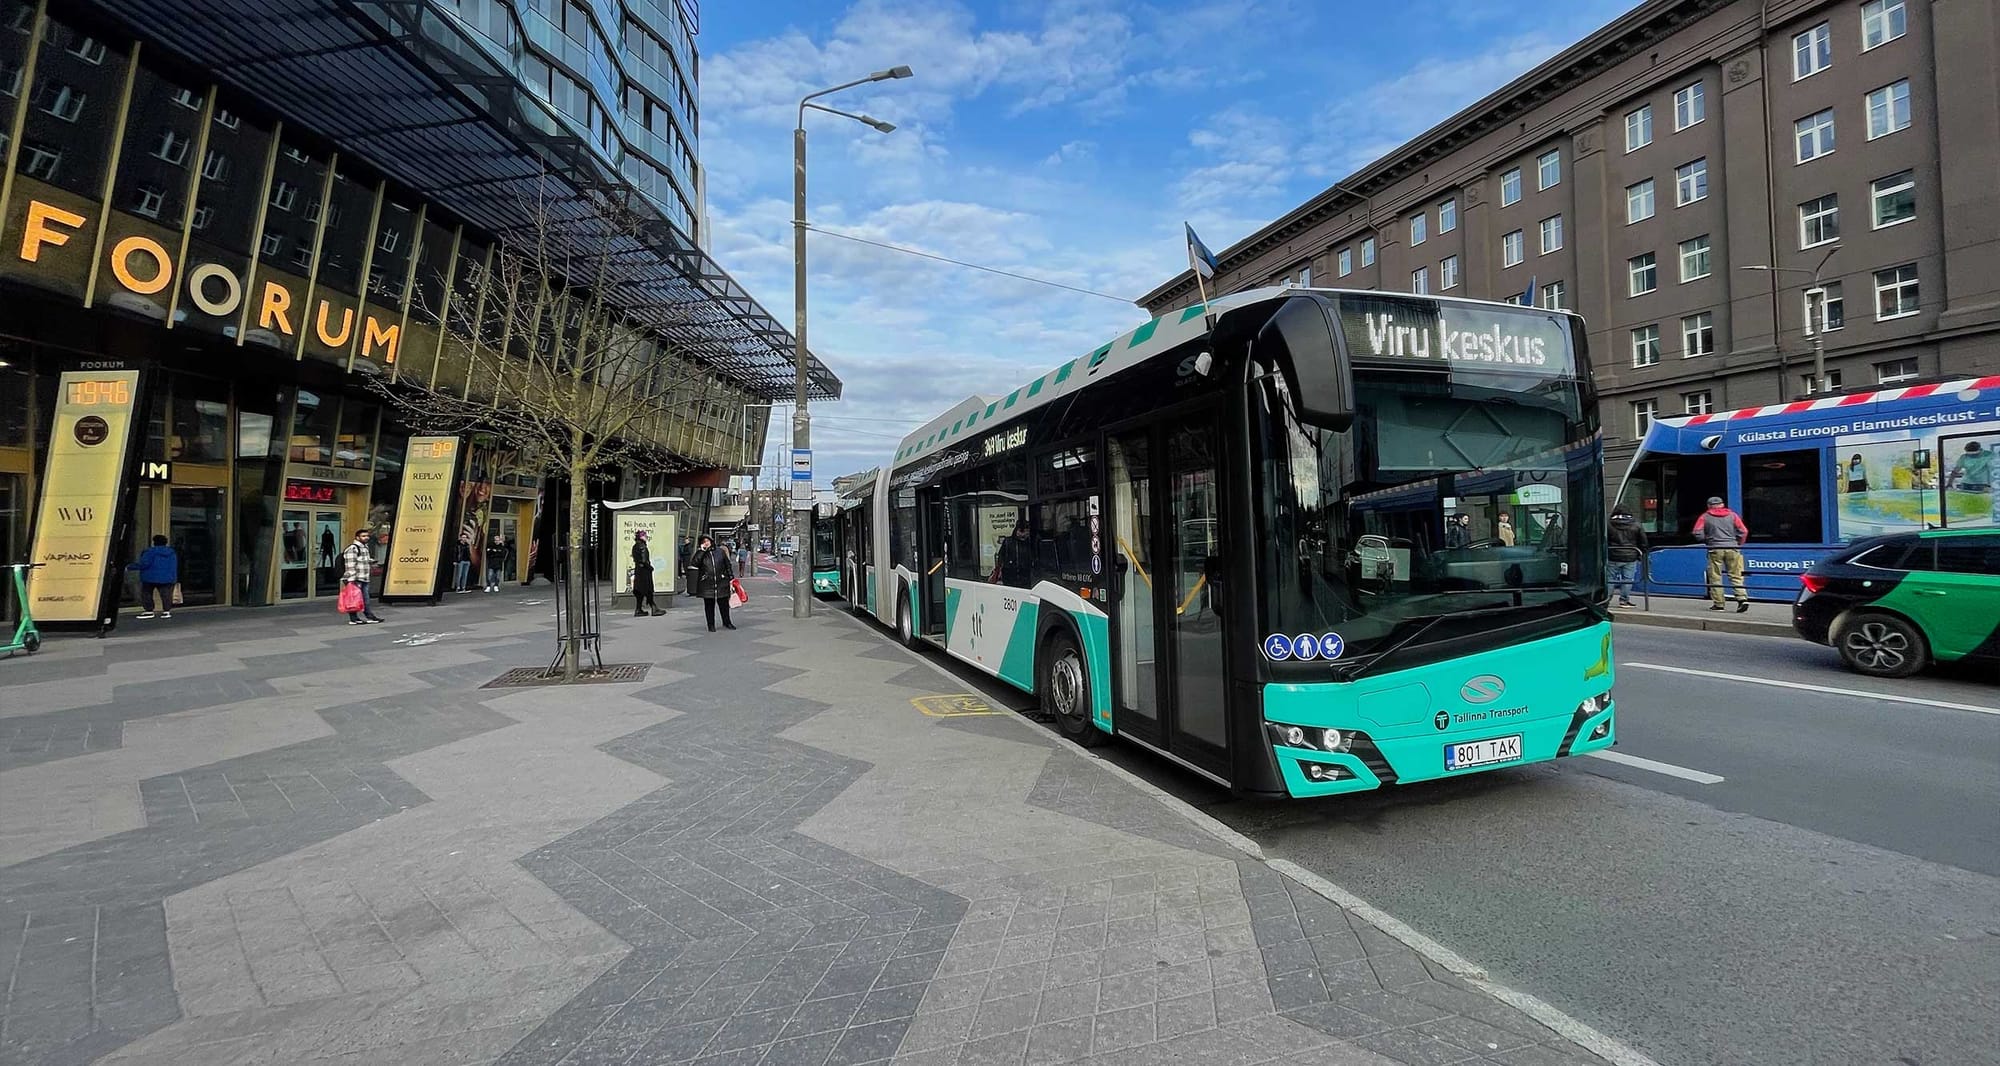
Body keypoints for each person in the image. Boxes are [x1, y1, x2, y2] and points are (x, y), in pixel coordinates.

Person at [1692, 496, 1750, 613]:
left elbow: (1697, 532)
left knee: (1715, 576)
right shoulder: (1733, 515)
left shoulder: (1704, 517)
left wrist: (1707, 540)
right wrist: (1738, 543)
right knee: (1736, 575)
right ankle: (1742, 599)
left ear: (1709, 506)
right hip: (1733, 548)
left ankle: (1719, 604)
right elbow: (1744, 531)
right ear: (1722, 504)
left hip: (1715, 548)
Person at [691, 534, 736, 631]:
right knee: (709, 605)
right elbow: (694, 563)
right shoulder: (701, 553)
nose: (706, 543)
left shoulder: (720, 552)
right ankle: (711, 625)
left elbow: (727, 565)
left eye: (707, 541)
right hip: (707, 583)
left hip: (721, 582)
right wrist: (701, 551)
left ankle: (727, 622)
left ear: (711, 541)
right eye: (703, 542)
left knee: (724, 604)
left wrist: (731, 578)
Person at [129, 534, 179, 619]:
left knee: (147, 593)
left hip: (150, 577)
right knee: (166, 595)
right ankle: (166, 611)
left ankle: (149, 611)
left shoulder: (150, 552)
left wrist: (130, 567)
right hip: (168, 578)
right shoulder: (172, 552)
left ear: (154, 542)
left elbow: (144, 564)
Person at [1606, 509, 1648, 607]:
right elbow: (1643, 541)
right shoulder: (1636, 524)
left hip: (1613, 555)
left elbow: (1605, 539)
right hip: (1631, 556)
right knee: (1628, 579)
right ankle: (1624, 601)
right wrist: (1642, 553)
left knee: (1610, 579)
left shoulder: (1608, 524)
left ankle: (1606, 600)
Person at [341, 529, 383, 624]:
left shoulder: (365, 547)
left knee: (364, 598)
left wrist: (371, 561)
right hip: (356, 578)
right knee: (355, 598)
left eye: (367, 536)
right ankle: (355, 618)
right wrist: (352, 579)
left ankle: (367, 616)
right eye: (363, 536)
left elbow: (363, 560)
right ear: (357, 537)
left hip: (364, 577)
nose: (366, 537)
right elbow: (350, 565)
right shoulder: (353, 548)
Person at [993, 519, 1033, 587]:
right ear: (1016, 530)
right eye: (1021, 531)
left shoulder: (1030, 543)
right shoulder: (1008, 542)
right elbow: (1001, 557)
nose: (1023, 534)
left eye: (1026, 531)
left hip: (1025, 578)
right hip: (1010, 577)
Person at [630, 530, 662, 617]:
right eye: (645, 536)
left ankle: (638, 609)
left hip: (638, 570)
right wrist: (650, 568)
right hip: (644, 572)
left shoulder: (634, 546)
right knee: (648, 590)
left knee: (640, 590)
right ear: (641, 537)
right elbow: (644, 561)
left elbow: (636, 559)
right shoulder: (643, 546)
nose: (646, 537)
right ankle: (654, 608)